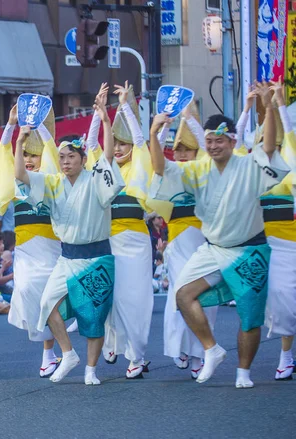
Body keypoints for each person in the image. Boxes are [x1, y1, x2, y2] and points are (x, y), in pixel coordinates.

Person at [149, 82, 290, 388]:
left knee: (250, 317)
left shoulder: (249, 164)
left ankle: (243, 372)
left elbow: (268, 148)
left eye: (219, 140)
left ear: (232, 141)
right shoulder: (198, 169)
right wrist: (154, 135)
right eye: (209, 141)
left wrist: (269, 106)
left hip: (249, 250)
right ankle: (211, 349)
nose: (213, 146)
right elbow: (162, 170)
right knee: (183, 294)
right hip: (213, 250)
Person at [14, 89, 124, 385]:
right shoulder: (51, 182)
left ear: (82, 158)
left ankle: (91, 369)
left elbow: (109, 156)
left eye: (70, 156)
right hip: (67, 257)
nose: (64, 161)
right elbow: (22, 177)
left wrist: (103, 119)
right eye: (61, 156)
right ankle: (67, 353)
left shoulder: (96, 178)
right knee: (47, 304)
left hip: (97, 256)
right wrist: (21, 141)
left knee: (93, 315)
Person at [95, 82, 159, 379]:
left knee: (135, 298)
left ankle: (136, 355)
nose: (118, 148)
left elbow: (140, 141)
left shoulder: (141, 167)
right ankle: (111, 340)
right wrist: (98, 114)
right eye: (115, 143)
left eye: (124, 143)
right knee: (108, 296)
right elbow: (89, 149)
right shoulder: (105, 168)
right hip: (106, 241)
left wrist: (124, 107)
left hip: (135, 240)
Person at [0, 102, 64, 377]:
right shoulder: (15, 185)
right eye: (25, 156)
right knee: (24, 289)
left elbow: (58, 160)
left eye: (35, 156)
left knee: (49, 297)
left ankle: (49, 352)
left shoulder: (51, 181)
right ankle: (51, 347)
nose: (30, 160)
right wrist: (12, 125)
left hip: (51, 250)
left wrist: (45, 132)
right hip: (25, 251)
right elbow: (3, 155)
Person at [152, 103, 219, 379]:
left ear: (196, 152)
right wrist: (158, 129)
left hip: (207, 241)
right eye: (177, 149)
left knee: (206, 300)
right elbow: (156, 162)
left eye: (186, 150)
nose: (180, 154)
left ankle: (200, 353)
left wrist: (191, 119)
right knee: (178, 295)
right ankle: (181, 347)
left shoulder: (207, 170)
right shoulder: (173, 172)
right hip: (179, 242)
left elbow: (209, 150)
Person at [237, 80, 296, 380]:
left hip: (289, 241)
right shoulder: (251, 165)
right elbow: (235, 147)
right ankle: (283, 354)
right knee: (270, 300)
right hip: (258, 242)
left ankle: (287, 354)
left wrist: (279, 105)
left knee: (287, 298)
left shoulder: (290, 162)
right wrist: (249, 109)